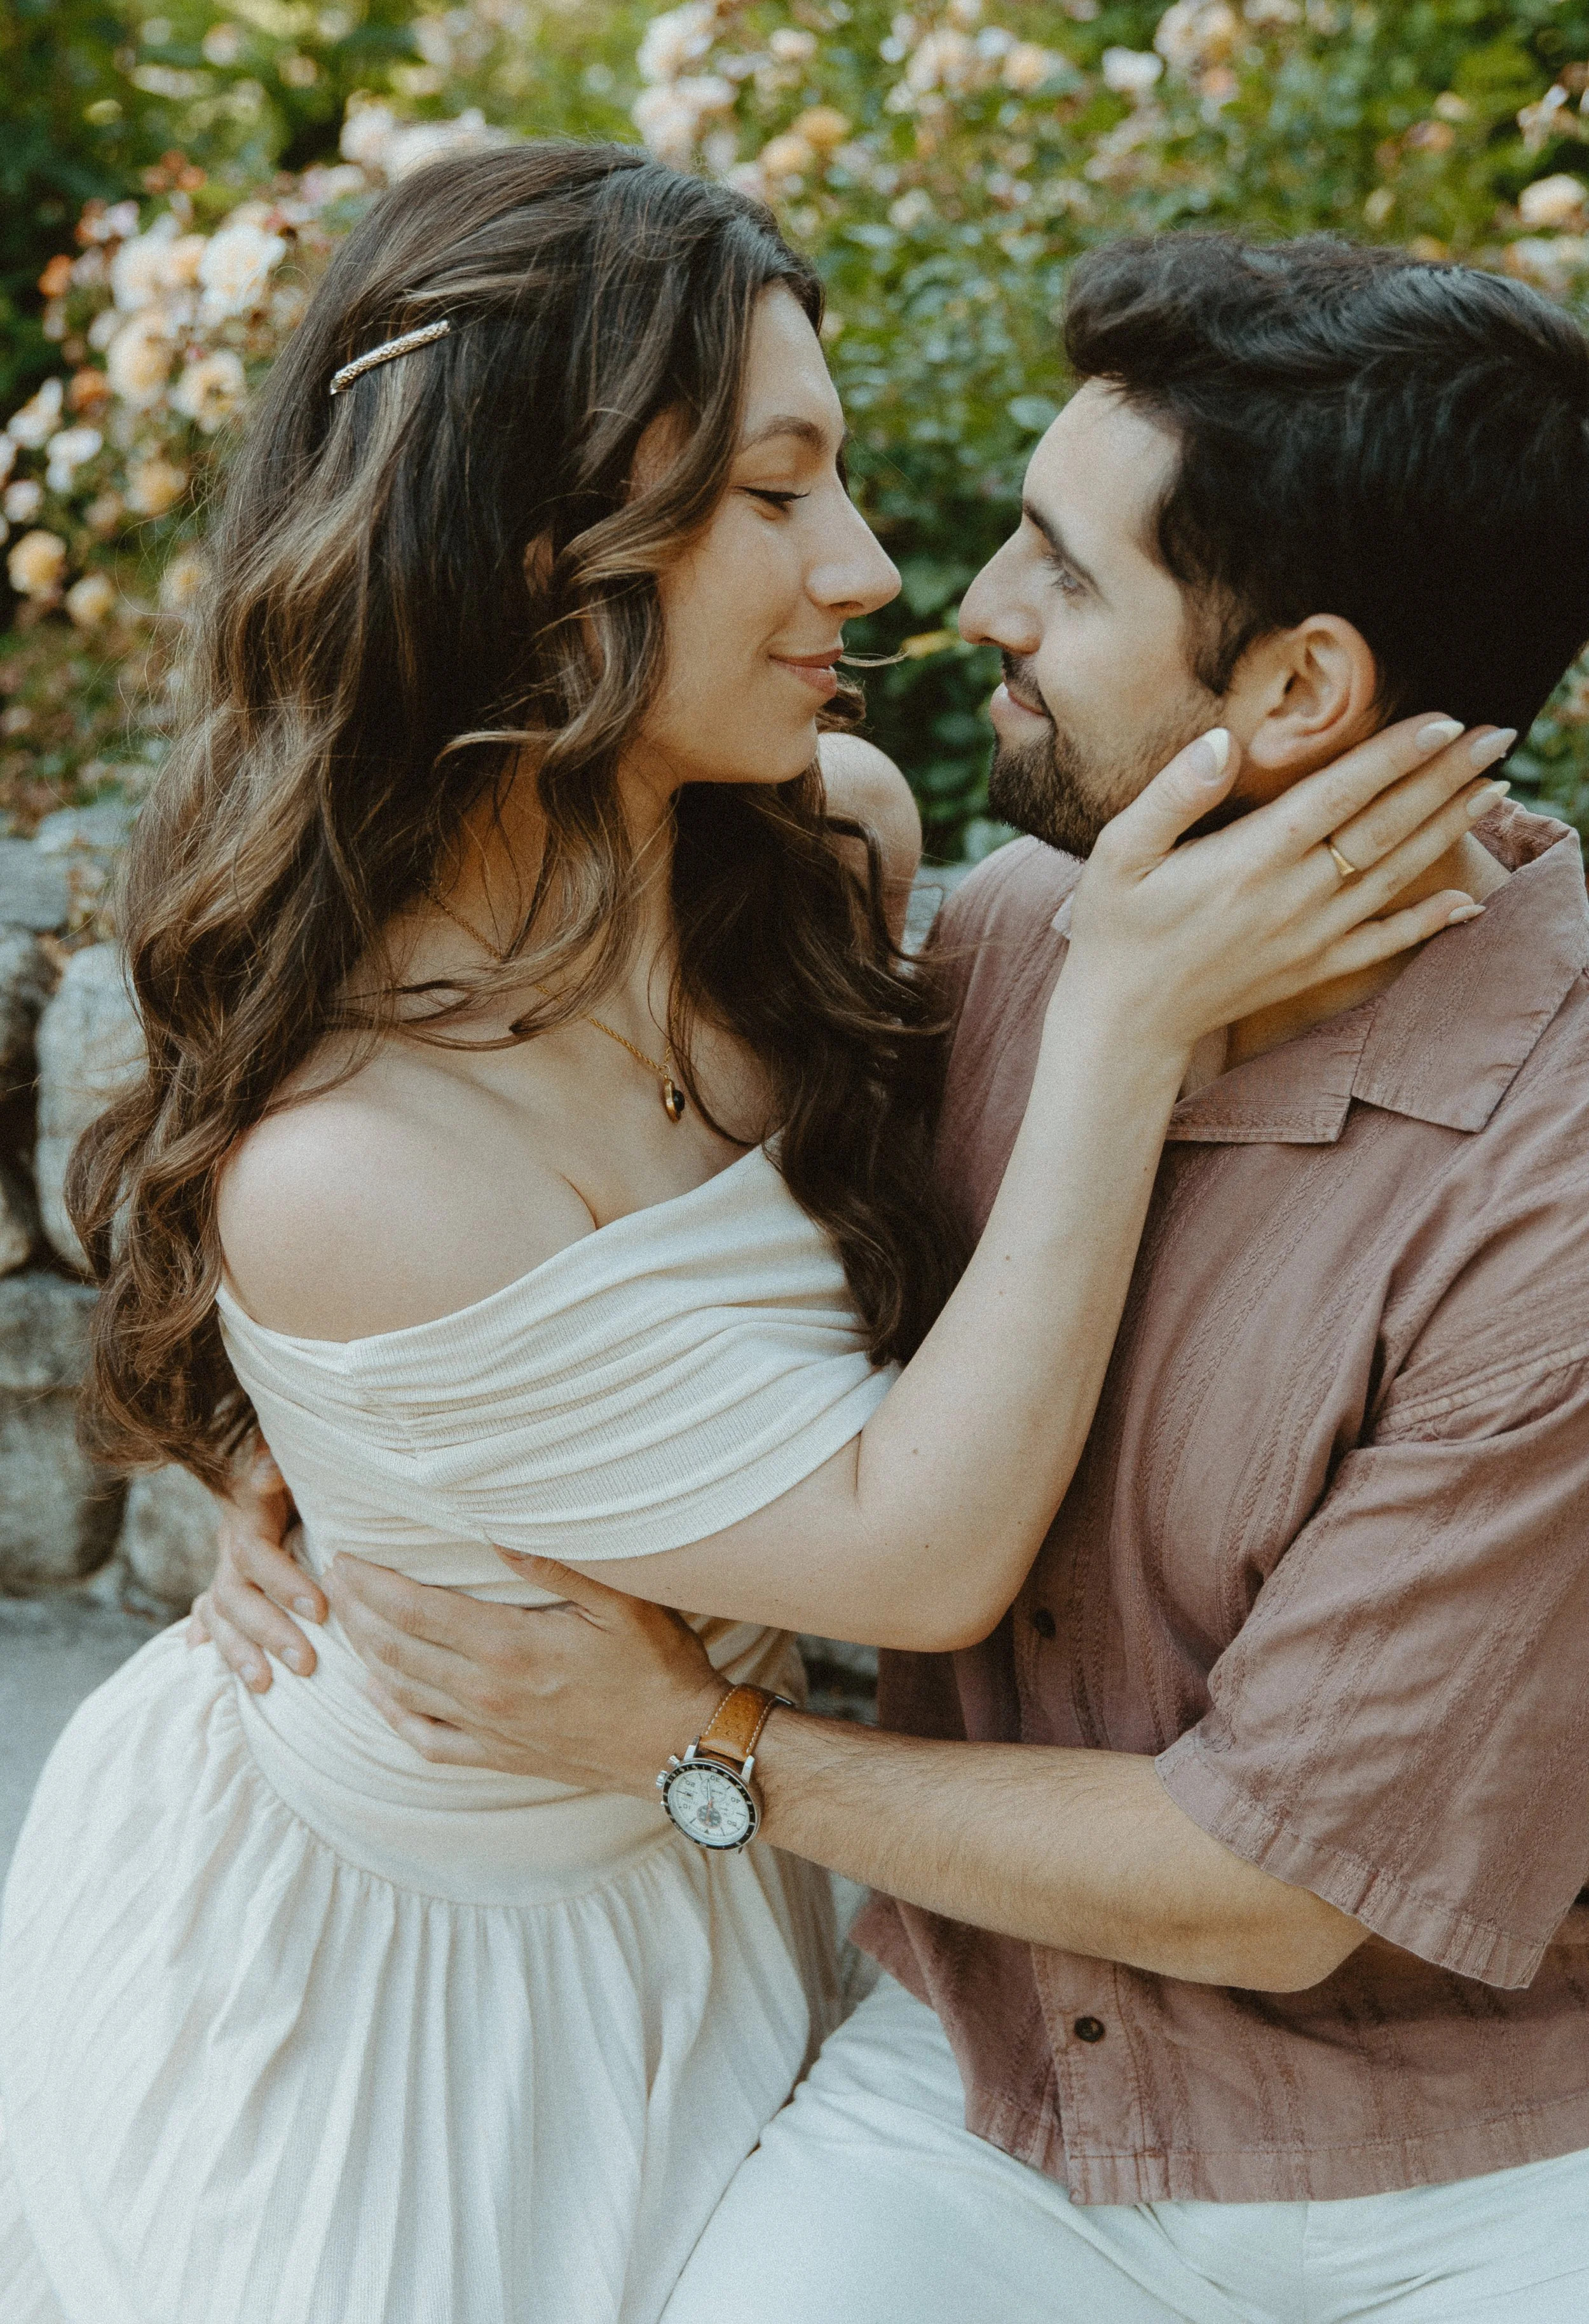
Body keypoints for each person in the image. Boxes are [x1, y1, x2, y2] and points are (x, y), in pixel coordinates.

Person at [0, 166, 1482, 2323]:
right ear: (529, 549)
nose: (872, 571)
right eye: (776, 493)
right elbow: (916, 1557)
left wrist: (312, 1454)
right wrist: (1122, 1021)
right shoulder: (361, 1164)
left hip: (709, 1862)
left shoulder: (814, 840)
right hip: (413, 1978)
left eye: (840, 473)